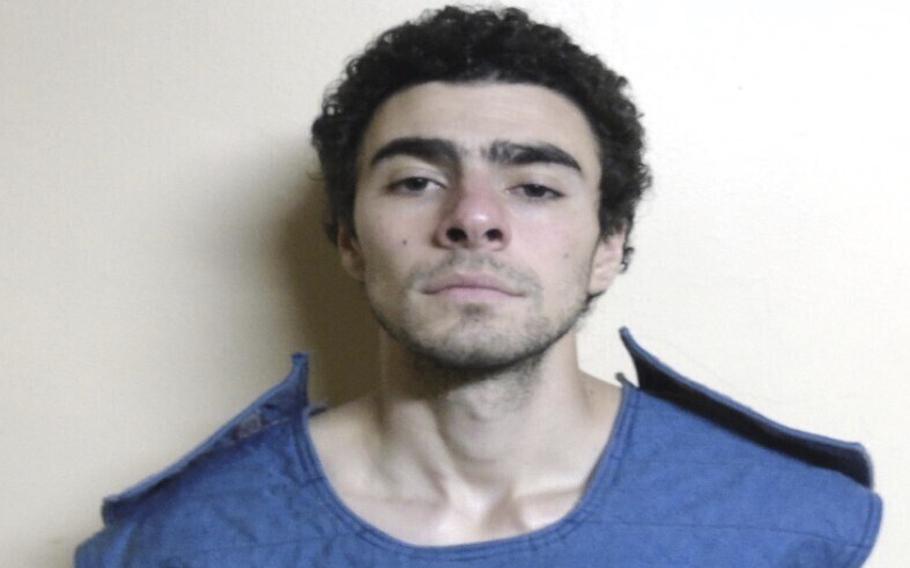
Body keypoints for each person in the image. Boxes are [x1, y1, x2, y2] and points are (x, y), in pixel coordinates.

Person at [75, 6, 882, 566]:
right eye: (418, 180)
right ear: (350, 240)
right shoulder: (180, 546)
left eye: (534, 187)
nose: (473, 219)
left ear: (609, 245)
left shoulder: (789, 529)